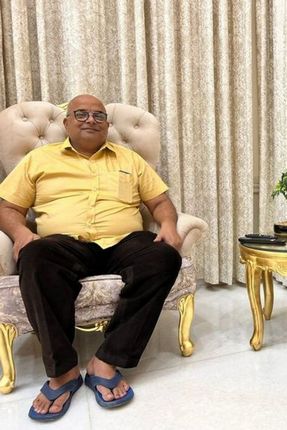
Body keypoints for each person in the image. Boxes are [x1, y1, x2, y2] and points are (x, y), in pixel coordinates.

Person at [0, 94, 183, 421]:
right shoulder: (39, 159)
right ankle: (63, 371)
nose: (90, 120)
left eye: (98, 116)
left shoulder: (129, 159)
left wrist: (168, 224)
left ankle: (107, 360)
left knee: (164, 257)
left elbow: (160, 202)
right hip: (64, 245)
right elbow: (8, 208)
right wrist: (21, 234)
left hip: (124, 243)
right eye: (81, 114)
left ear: (107, 125)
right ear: (66, 122)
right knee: (35, 256)